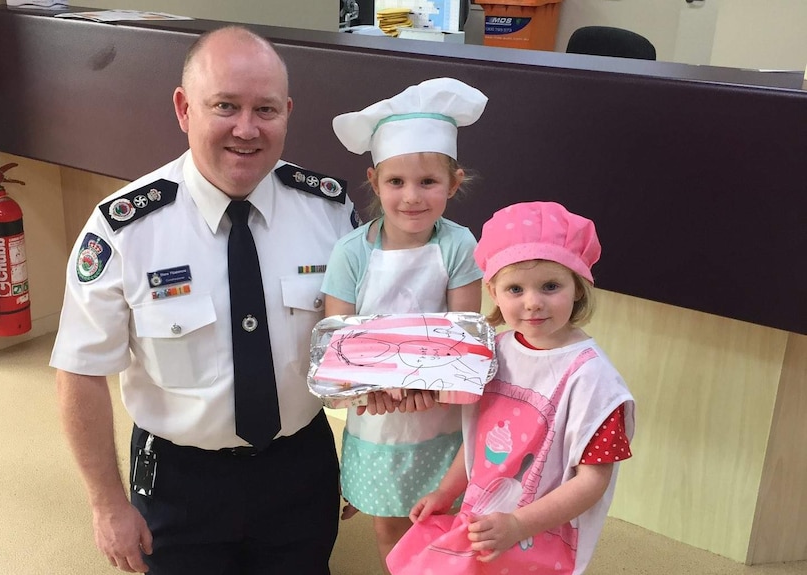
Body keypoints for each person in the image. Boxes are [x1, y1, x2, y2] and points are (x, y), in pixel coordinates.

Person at [50, 26, 356, 575]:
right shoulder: (125, 229)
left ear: (287, 111)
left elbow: (362, 344)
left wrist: (363, 455)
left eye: (265, 109)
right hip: (178, 480)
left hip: (300, 465)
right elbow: (79, 371)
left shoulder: (329, 213)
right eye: (224, 106)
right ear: (183, 108)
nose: (246, 128)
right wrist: (106, 503)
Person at [386, 201, 636, 575]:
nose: (533, 303)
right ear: (493, 290)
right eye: (515, 288)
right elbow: (476, 438)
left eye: (551, 286)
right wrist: (447, 491)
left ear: (578, 288)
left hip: (540, 535)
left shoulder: (594, 380)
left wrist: (519, 525)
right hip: (482, 518)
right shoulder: (495, 351)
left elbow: (592, 482)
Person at [321, 77, 488, 573]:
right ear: (374, 182)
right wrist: (378, 384)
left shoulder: (459, 246)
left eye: (428, 182)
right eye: (396, 182)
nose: (412, 197)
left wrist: (429, 385)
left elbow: (463, 339)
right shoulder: (351, 253)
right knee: (390, 520)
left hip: (440, 412)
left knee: (444, 516)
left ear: (453, 184)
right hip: (379, 417)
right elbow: (340, 345)